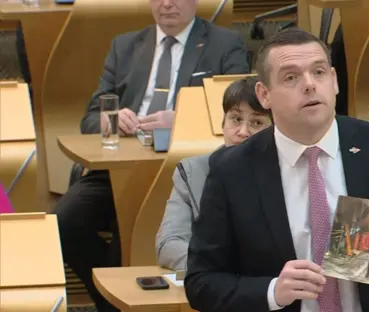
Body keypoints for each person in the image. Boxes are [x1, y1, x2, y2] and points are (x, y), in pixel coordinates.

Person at [185, 28, 369, 312]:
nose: (309, 85)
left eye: (318, 72)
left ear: (335, 81)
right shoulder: (233, 170)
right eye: (291, 77)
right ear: (264, 95)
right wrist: (272, 292)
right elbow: (201, 281)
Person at [53, 0, 250, 310]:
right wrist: (111, 118)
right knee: (63, 222)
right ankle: (109, 303)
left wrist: (184, 118)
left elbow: (239, 110)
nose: (167, 4)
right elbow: (91, 117)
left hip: (184, 169)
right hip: (119, 168)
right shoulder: (126, 45)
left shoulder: (225, 43)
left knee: (127, 231)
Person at [155, 77, 271, 270]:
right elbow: (169, 244)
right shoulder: (193, 172)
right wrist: (216, 271)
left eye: (257, 122)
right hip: (218, 290)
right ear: (223, 123)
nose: (243, 132)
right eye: (236, 119)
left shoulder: (290, 173)